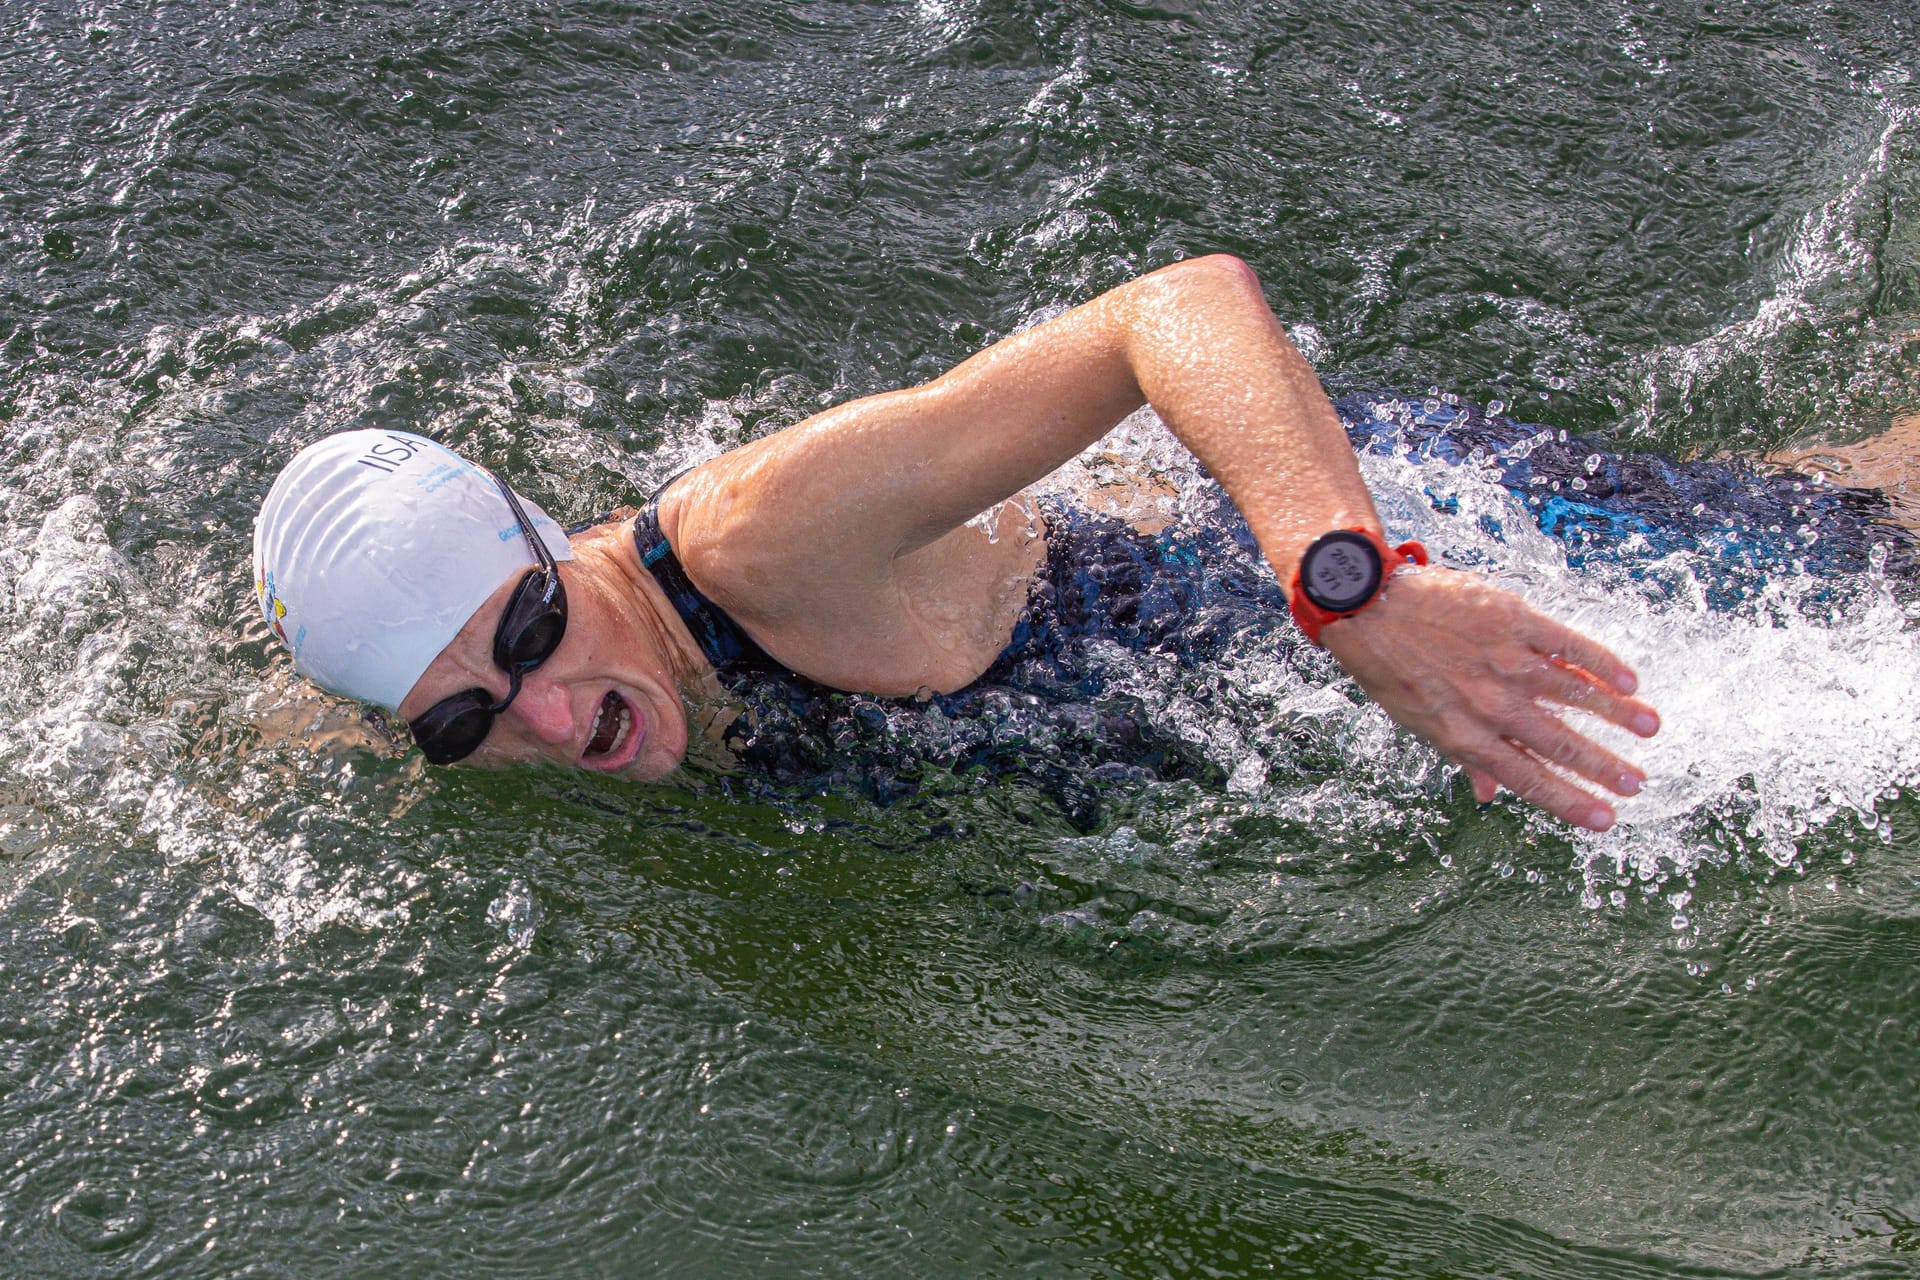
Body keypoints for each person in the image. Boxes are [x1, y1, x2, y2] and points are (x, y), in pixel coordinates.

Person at [254, 255, 1662, 832]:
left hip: (1343, 541)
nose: (550, 717)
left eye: (528, 634)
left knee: (1872, 547)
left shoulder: (759, 543)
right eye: (461, 720)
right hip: (1262, 709)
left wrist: (1354, 590)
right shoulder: (484, 701)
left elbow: (1175, 309)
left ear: (552, 547)